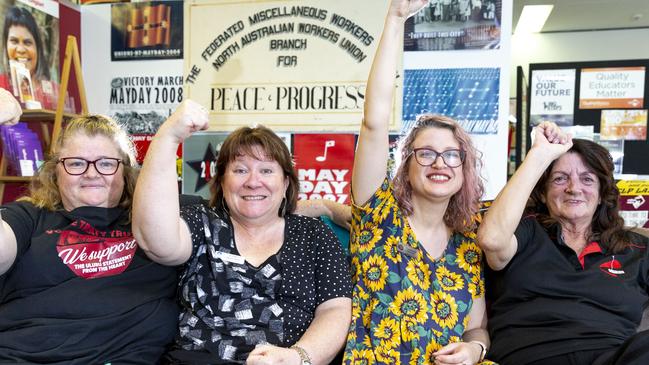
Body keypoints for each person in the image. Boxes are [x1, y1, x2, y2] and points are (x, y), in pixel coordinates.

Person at [132, 100, 353, 364]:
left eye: (267, 170)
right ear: (222, 181)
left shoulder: (314, 235)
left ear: (285, 183)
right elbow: (156, 242)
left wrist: (297, 358)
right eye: (240, 170)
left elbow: (335, 310)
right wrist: (168, 137)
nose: (252, 181)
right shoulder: (201, 222)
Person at [343, 1, 495, 364]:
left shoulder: (471, 236)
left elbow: (477, 328)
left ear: (464, 167)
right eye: (425, 153)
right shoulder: (376, 212)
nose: (439, 163)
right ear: (406, 165)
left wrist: (475, 350)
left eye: (452, 154)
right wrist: (395, 21)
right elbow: (374, 121)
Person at [0, 115, 179, 364]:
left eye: (106, 164)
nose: (91, 174)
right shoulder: (29, 217)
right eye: (76, 163)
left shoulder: (156, 225)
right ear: (55, 171)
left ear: (126, 170)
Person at [478, 122, 649, 365]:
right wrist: (539, 155)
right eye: (560, 179)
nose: (574, 188)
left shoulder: (637, 249)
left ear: (602, 194)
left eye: (587, 179)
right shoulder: (525, 230)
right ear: (543, 193)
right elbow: (491, 240)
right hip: (532, 355)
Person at [1, 6, 58, 110]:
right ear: (5, 45)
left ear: (38, 48)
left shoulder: (55, 92)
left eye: (27, 42)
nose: (21, 49)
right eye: (14, 41)